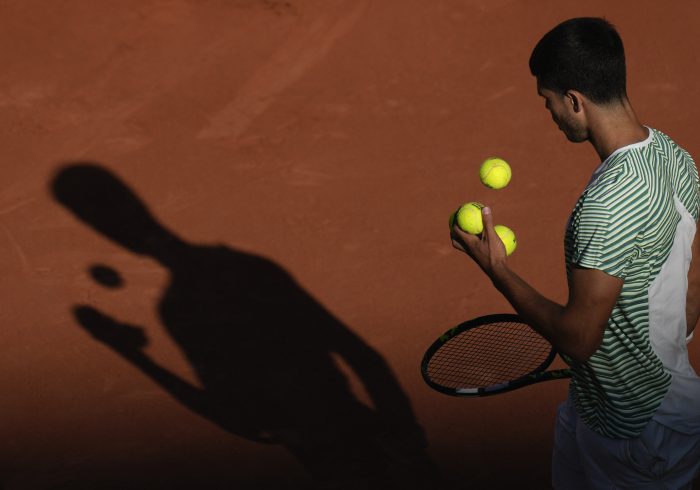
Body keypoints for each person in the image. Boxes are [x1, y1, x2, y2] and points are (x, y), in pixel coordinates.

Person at [450, 17, 700, 489]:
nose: (551, 115)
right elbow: (692, 286)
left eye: (548, 102)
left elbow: (579, 337)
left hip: (634, 439)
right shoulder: (674, 155)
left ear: (574, 101)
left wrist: (496, 269)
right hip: (610, 410)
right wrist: (653, 348)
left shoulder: (605, 206)